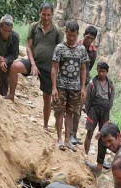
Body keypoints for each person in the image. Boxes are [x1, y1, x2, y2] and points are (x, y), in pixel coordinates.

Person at [8, 2, 63, 129]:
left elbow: (60, 52)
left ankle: (45, 125)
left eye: (49, 15)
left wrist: (56, 71)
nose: (46, 18)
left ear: (52, 15)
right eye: (43, 14)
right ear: (40, 13)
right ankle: (11, 97)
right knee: (14, 67)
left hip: (49, 68)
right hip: (34, 62)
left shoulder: (58, 31)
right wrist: (32, 64)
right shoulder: (34, 27)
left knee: (46, 98)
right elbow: (28, 47)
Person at [51, 20, 89, 151]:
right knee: (59, 112)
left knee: (70, 113)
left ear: (78, 34)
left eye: (74, 36)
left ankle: (67, 139)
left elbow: (83, 69)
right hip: (61, 86)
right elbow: (54, 68)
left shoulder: (82, 50)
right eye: (69, 35)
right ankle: (59, 139)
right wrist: (54, 87)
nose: (71, 38)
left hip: (75, 88)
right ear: (65, 33)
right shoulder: (59, 48)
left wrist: (83, 87)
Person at [83, 62, 115, 176]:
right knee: (89, 133)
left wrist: (107, 109)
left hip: (105, 111)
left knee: (103, 136)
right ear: (97, 70)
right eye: (99, 71)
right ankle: (84, 157)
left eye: (103, 71)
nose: (101, 73)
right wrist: (88, 110)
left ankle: (99, 164)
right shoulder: (92, 83)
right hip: (94, 110)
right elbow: (88, 99)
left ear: (107, 72)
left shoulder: (110, 84)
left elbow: (111, 100)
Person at [71, 26, 98, 146]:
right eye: (88, 37)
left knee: (78, 108)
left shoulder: (93, 51)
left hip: (84, 82)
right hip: (72, 79)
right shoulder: (76, 46)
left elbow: (89, 67)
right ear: (84, 35)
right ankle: (68, 134)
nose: (89, 40)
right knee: (70, 106)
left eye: (92, 38)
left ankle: (73, 134)